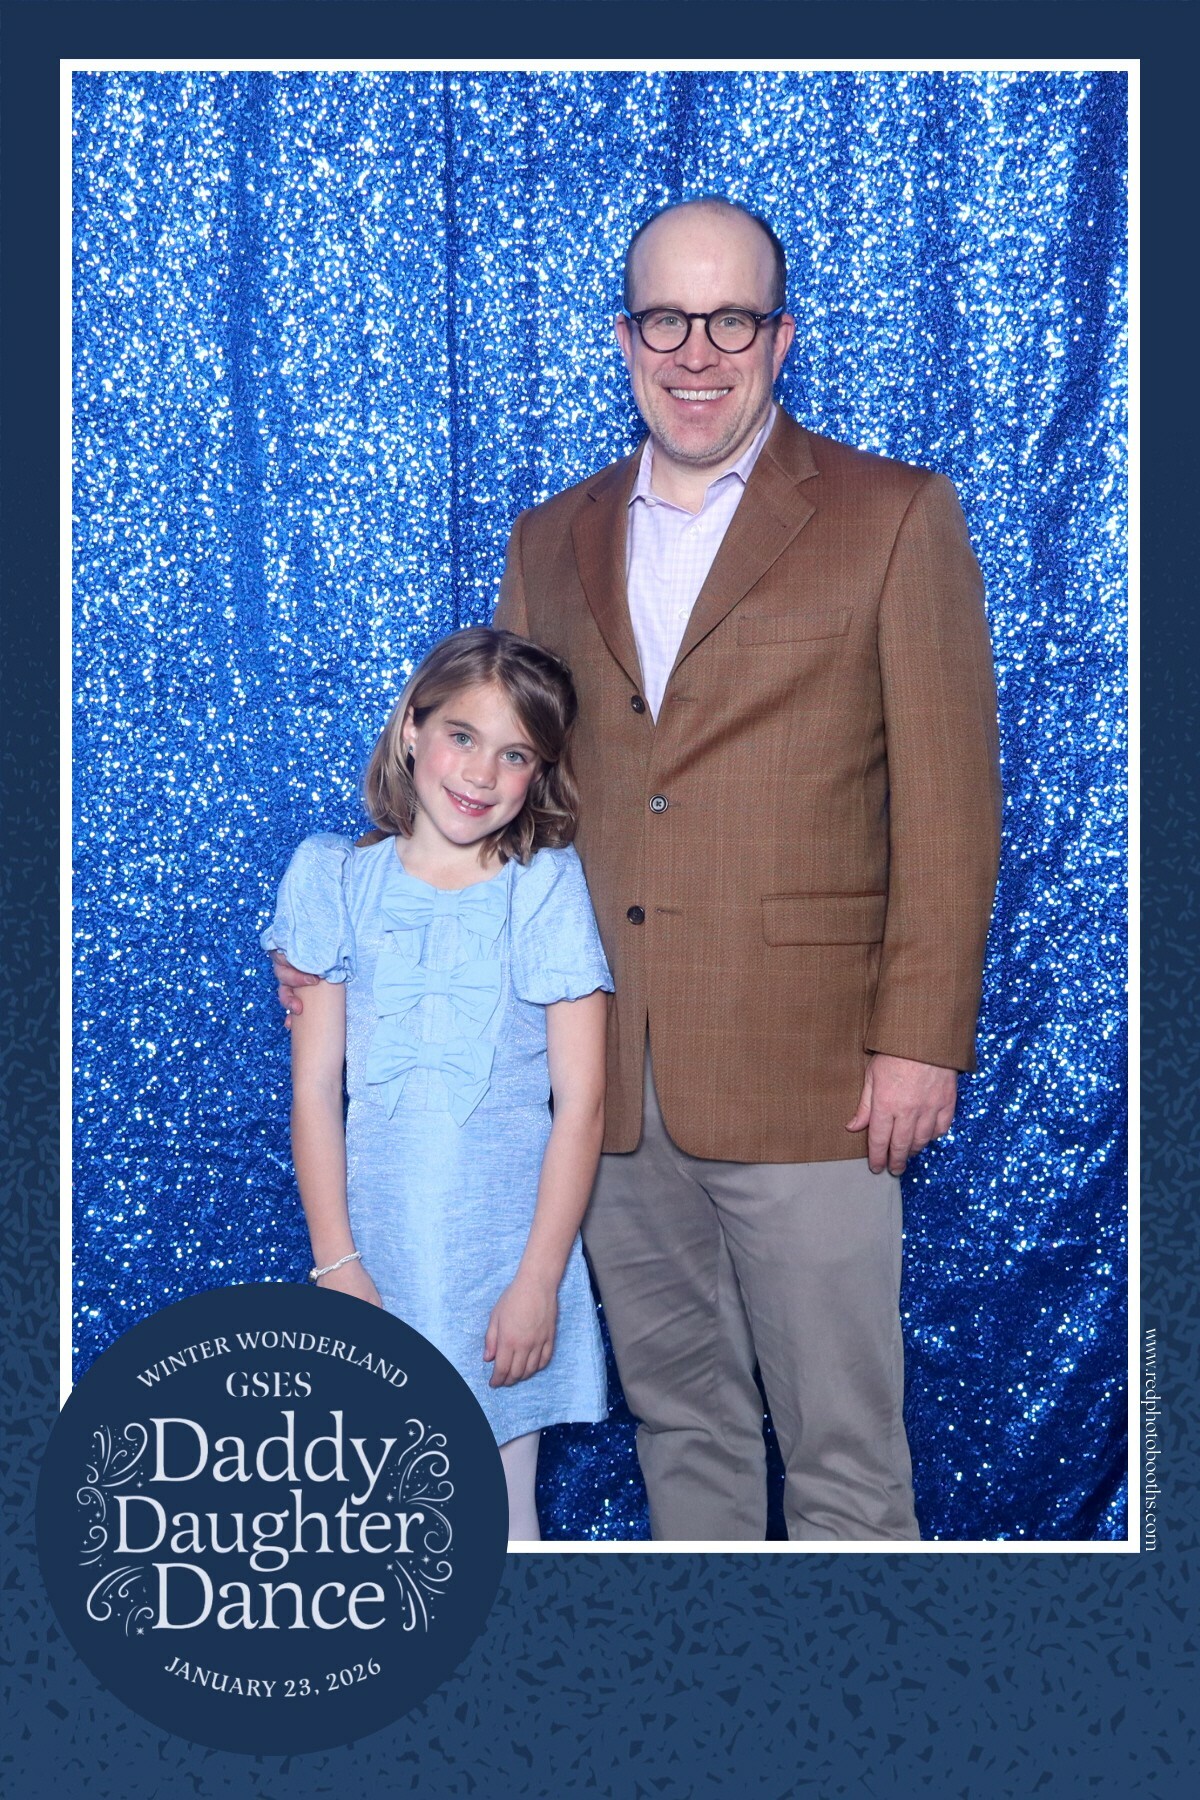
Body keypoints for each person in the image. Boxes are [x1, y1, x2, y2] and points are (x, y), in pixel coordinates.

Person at [490, 197, 1003, 1541]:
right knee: (684, 1429)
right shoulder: (549, 537)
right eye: (667, 318)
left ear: (782, 339)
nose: (696, 352)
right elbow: (505, 787)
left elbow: (950, 805)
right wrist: (350, 921)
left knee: (844, 1453)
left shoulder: (893, 514)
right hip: (608, 1072)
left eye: (731, 320)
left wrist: (921, 1039)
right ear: (625, 338)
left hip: (816, 1074)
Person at [261, 627, 613, 1542]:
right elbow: (315, 1094)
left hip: (502, 1265)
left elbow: (581, 1105)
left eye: (515, 755)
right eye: (462, 736)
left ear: (539, 773)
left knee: (501, 1513)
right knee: (379, 1520)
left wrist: (538, 1281)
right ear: (412, 728)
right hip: (373, 1263)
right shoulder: (335, 877)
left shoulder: (544, 886)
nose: (481, 774)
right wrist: (337, 1267)